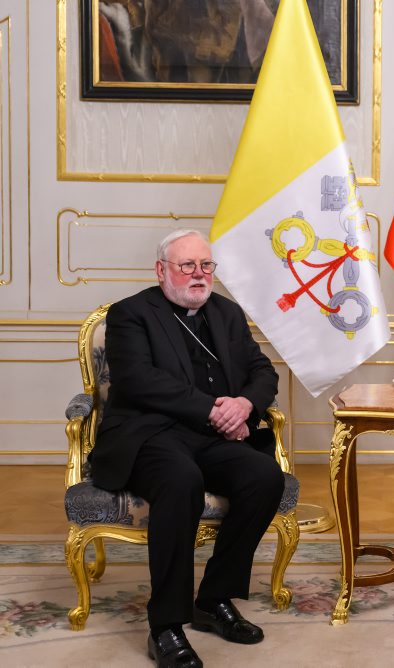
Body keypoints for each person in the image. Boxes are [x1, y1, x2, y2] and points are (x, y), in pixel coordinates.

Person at [89, 230, 285, 668]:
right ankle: (165, 626)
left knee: (264, 477)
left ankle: (212, 599)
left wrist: (245, 403)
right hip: (150, 435)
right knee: (181, 480)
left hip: (213, 437)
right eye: (187, 266)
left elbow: (262, 372)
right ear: (162, 271)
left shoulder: (228, 314)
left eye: (206, 266)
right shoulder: (130, 314)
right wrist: (213, 409)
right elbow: (139, 380)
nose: (199, 275)